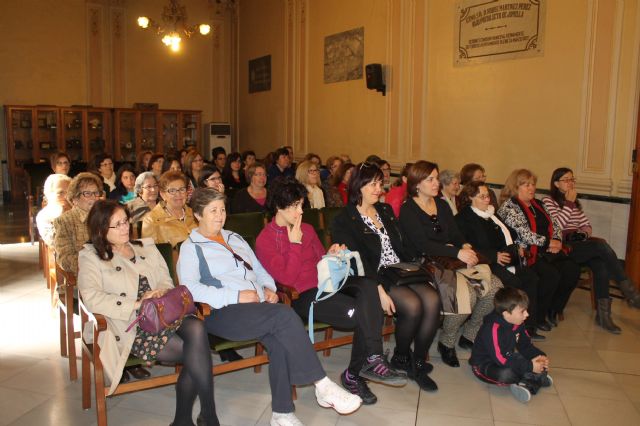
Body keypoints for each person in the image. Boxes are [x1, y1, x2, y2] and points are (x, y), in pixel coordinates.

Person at [178, 188, 363, 426]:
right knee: (284, 317)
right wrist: (235, 295)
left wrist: (268, 288)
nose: (219, 215)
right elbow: (190, 289)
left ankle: (282, 413)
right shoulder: (191, 247)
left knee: (278, 341)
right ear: (197, 214)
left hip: (255, 308)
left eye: (222, 209)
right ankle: (322, 385)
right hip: (220, 313)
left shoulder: (234, 237)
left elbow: (259, 269)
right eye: (213, 210)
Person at [256, 178, 406, 405]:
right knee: (364, 313)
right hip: (303, 295)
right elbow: (286, 279)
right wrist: (295, 245)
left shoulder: (306, 228)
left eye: (301, 205)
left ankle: (372, 359)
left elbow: (320, 260)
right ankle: (354, 375)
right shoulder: (266, 239)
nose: (300, 211)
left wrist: (333, 253)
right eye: (294, 206)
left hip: (326, 283)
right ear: (278, 206)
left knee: (367, 286)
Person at [78, 200, 220, 425]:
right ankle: (199, 417)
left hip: (164, 310)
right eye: (117, 225)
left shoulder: (145, 247)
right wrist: (137, 304)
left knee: (196, 327)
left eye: (126, 221)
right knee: (196, 352)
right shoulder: (91, 257)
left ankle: (202, 415)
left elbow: (166, 278)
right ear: (100, 230)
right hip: (131, 323)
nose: (125, 228)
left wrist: (161, 290)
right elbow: (92, 297)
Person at [331, 163, 440, 391]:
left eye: (380, 184)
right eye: (372, 184)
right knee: (412, 307)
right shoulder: (345, 218)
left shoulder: (386, 211)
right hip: (375, 274)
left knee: (432, 300)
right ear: (358, 186)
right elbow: (356, 261)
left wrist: (422, 262)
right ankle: (401, 357)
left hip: (399, 270)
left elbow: (402, 244)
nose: (378, 189)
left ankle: (415, 361)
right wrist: (377, 288)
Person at [399, 161, 502, 368]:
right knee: (466, 297)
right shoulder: (408, 209)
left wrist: (464, 245)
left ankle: (470, 335)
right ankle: (447, 342)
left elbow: (455, 233)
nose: (437, 183)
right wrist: (458, 252)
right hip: (426, 263)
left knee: (495, 288)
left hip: (452, 258)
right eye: (431, 179)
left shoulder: (443, 205)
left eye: (436, 178)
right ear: (417, 183)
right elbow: (422, 244)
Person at [542, 167, 640, 332]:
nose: (570, 183)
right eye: (566, 180)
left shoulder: (574, 202)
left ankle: (603, 316)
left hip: (577, 243)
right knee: (601, 246)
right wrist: (569, 203)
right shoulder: (548, 201)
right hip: (561, 246)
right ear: (556, 183)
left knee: (600, 265)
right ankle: (631, 294)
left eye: (572, 179)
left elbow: (586, 224)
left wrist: (583, 233)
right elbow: (557, 226)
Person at [456, 182, 548, 340]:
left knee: (531, 278)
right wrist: (493, 255)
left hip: (505, 260)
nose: (487, 200)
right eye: (482, 197)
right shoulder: (464, 218)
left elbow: (509, 234)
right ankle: (504, 328)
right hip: (484, 263)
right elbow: (466, 246)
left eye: (488, 196)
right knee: (514, 283)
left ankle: (528, 326)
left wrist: (515, 247)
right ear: (471, 197)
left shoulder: (491, 214)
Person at [498, 169, 581, 329]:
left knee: (572, 269)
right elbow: (525, 234)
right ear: (515, 187)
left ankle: (553, 309)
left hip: (546, 249)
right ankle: (536, 318)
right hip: (527, 252)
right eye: (526, 185)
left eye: (533, 184)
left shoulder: (539, 204)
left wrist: (556, 240)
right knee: (551, 275)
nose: (531, 188)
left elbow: (555, 225)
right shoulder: (509, 207)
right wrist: (549, 242)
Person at [470, 287, 552, 403]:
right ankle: (531, 380)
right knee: (507, 374)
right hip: (485, 364)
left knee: (528, 360)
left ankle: (532, 378)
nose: (527, 314)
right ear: (506, 314)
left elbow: (525, 346)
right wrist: (530, 366)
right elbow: (500, 359)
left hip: (507, 357)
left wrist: (540, 356)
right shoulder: (492, 329)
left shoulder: (518, 323)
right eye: (522, 311)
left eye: (526, 310)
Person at [53, 172, 104, 274]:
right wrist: (93, 267)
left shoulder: (106, 216)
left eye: (96, 193)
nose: (93, 197)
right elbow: (64, 258)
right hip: (88, 274)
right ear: (75, 198)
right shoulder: (64, 221)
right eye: (87, 193)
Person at [141, 171, 197, 248]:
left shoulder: (196, 214)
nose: (178, 194)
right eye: (172, 191)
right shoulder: (151, 220)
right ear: (162, 194)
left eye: (182, 189)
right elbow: (150, 253)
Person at [37, 174, 71, 246]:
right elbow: (54, 242)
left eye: (69, 192)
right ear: (48, 194)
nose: (66, 197)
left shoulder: (78, 210)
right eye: (60, 192)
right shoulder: (44, 216)